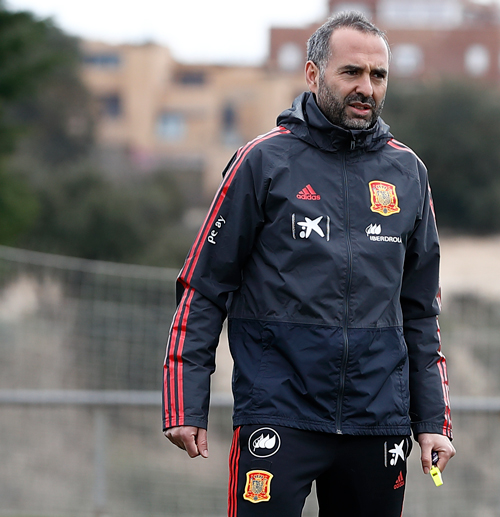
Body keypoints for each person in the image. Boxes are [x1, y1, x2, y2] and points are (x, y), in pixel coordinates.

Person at [162, 11, 454, 516]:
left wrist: (432, 420)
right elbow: (204, 287)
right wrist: (185, 402)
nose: (366, 87)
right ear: (314, 75)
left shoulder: (407, 172)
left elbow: (420, 311)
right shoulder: (262, 162)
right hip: (279, 414)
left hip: (377, 419)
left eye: (377, 75)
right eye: (351, 73)